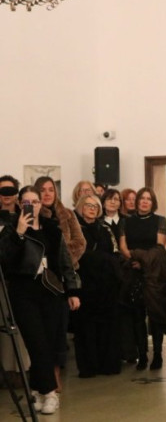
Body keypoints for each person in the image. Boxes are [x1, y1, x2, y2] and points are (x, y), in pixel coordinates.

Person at [1, 186, 81, 415]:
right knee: (36, 343)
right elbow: (4, 258)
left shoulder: (52, 229)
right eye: (26, 202)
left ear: (40, 204)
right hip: (23, 292)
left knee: (49, 343)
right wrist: (18, 233)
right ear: (19, 204)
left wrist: (72, 290)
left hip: (51, 291)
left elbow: (64, 261)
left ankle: (37, 391)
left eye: (35, 202)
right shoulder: (11, 229)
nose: (31, 206)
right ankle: (50, 392)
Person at [34, 176, 86, 393]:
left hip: (62, 278)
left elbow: (79, 242)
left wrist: (60, 257)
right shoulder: (33, 216)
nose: (47, 194)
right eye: (43, 190)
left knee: (58, 332)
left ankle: (55, 376)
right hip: (37, 280)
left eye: (51, 189)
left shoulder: (67, 214)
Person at [119, 187, 166, 370]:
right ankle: (142, 355)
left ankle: (157, 355)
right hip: (133, 272)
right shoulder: (126, 221)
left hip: (154, 274)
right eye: (142, 198)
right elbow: (123, 247)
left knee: (156, 316)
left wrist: (142, 261)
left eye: (148, 199)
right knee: (137, 316)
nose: (144, 201)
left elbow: (159, 247)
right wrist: (134, 260)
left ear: (153, 202)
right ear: (137, 201)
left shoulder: (160, 220)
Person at [72, 194, 122, 378]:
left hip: (106, 285)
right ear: (80, 207)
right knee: (86, 328)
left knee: (107, 328)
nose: (92, 209)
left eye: (95, 206)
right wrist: (98, 258)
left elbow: (115, 253)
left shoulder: (105, 228)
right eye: (88, 205)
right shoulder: (74, 228)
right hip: (84, 284)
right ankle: (89, 367)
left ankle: (108, 364)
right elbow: (73, 255)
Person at [0, 175, 31, 389]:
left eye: (11, 191)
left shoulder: (25, 216)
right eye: (2, 191)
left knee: (20, 327)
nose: (6, 195)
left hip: (23, 278)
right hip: (2, 279)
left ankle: (20, 372)